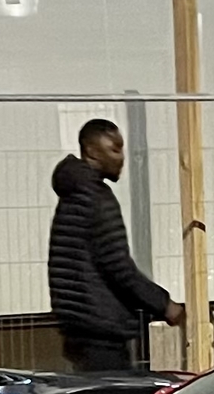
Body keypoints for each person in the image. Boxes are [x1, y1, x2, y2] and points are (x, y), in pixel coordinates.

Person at [46, 119, 182, 373]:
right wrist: (165, 305)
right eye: (115, 149)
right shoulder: (97, 199)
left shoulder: (74, 193)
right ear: (92, 151)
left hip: (78, 326)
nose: (121, 158)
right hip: (100, 329)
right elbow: (118, 266)